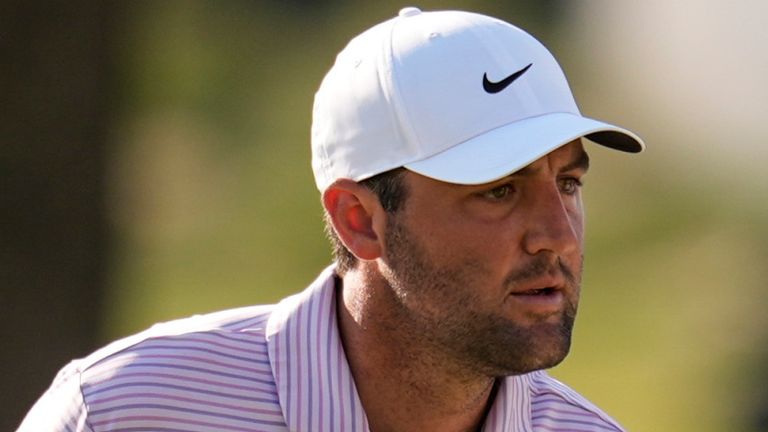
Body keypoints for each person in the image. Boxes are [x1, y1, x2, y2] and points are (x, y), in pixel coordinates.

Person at [19, 7, 644, 432]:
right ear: (358, 220)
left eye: (568, 182)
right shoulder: (121, 413)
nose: (558, 235)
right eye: (500, 190)